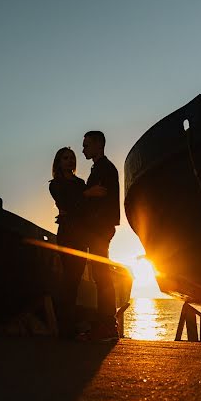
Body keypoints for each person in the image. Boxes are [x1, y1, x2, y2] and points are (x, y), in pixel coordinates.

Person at [81, 130, 120, 341]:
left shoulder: (105, 168)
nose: (83, 149)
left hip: (100, 228)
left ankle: (107, 324)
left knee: (101, 275)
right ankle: (106, 323)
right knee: (100, 274)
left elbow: (101, 201)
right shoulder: (100, 168)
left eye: (86, 145)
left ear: (98, 145)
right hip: (100, 227)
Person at [48, 147, 90, 340]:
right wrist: (84, 199)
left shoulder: (81, 183)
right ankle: (65, 326)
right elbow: (68, 204)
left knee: (76, 279)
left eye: (72, 158)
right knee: (69, 279)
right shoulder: (55, 184)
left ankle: (69, 324)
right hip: (66, 234)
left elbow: (81, 209)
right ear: (58, 162)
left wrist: (78, 206)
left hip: (81, 234)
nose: (70, 161)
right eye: (65, 158)